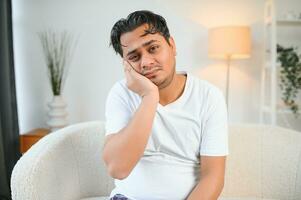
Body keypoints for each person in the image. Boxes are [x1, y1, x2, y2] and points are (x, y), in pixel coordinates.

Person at [102, 10, 229, 200]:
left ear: (172, 45)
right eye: (134, 57)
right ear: (126, 65)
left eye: (153, 48)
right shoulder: (121, 93)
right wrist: (149, 96)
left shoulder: (209, 96)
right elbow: (117, 168)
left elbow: (213, 176)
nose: (146, 62)